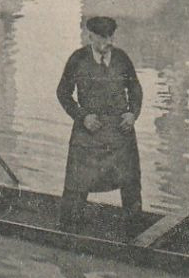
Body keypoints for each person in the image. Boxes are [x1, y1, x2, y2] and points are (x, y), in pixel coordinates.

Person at [57, 16, 143, 236]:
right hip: (88, 130)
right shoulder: (77, 59)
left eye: (111, 37)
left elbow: (135, 90)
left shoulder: (122, 59)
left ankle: (135, 234)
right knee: (76, 185)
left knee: (130, 183)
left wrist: (132, 114)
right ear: (90, 37)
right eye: (103, 38)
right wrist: (82, 116)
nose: (109, 42)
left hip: (120, 131)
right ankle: (67, 232)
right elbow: (63, 93)